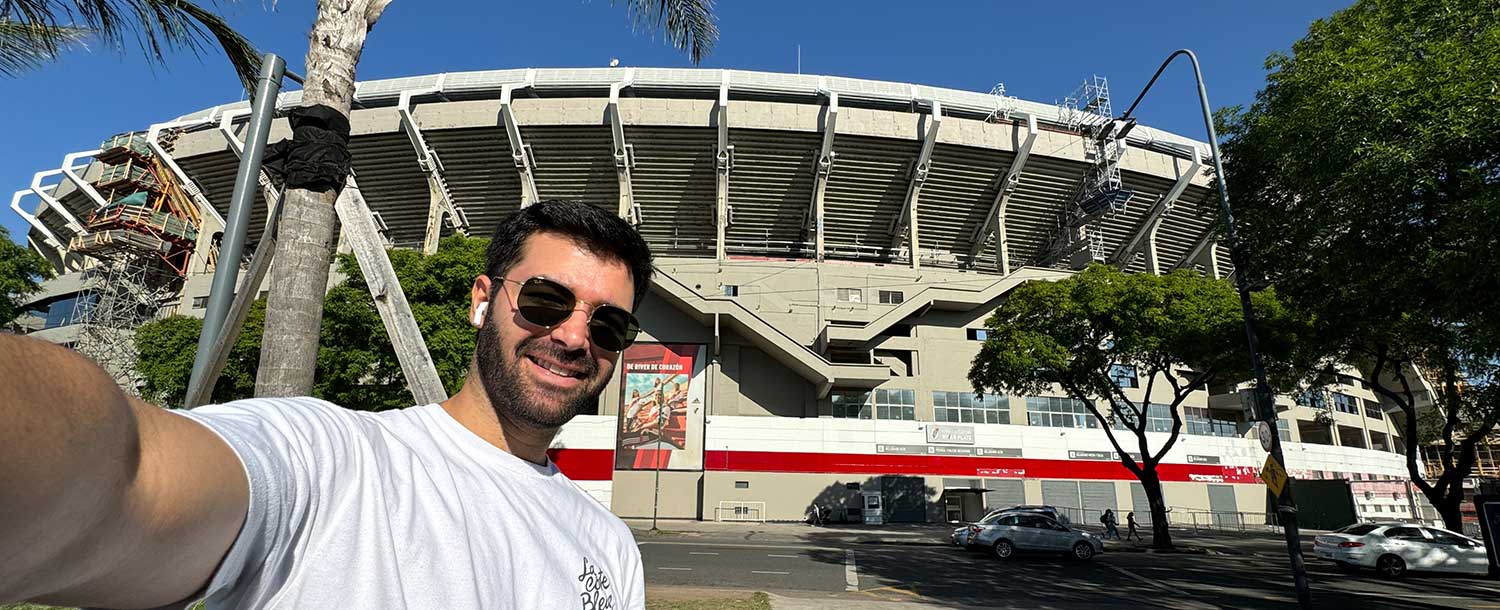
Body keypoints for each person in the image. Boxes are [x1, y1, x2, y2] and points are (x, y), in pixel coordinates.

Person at [0, 200, 654, 610]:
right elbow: (131, 473)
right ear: (483, 299)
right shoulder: (335, 460)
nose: (573, 337)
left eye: (608, 326)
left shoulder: (610, 544)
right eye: (546, 301)